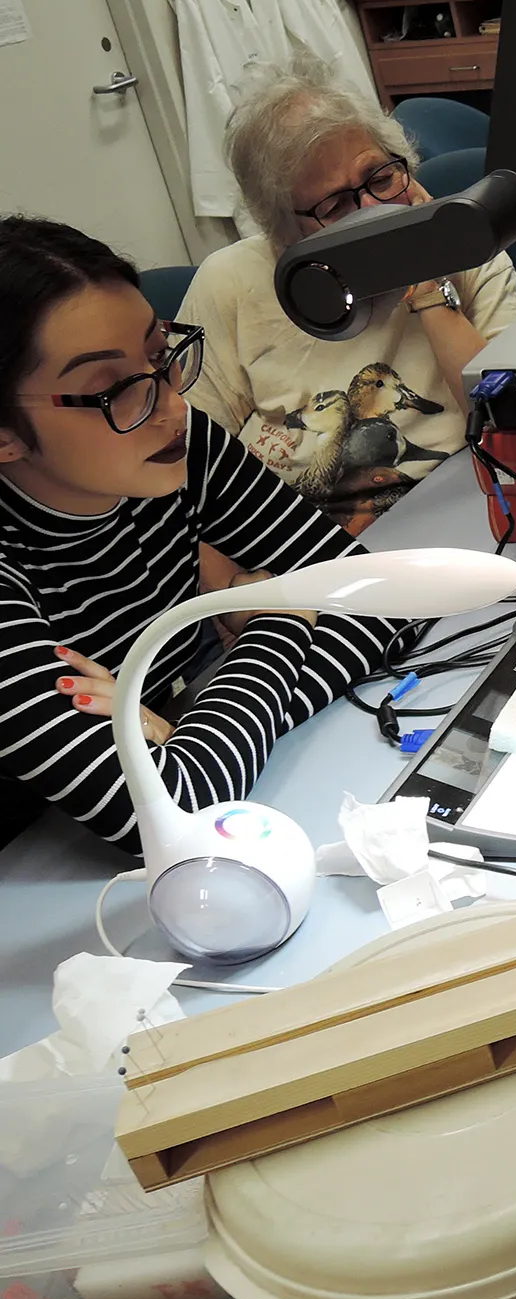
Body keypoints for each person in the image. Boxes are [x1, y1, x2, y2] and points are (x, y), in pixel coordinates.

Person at [0, 215, 400, 853]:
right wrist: (281, 623)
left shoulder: (175, 446)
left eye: (161, 356)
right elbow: (167, 813)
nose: (172, 405)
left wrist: (188, 734)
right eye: (115, 389)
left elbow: (383, 601)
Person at [179, 57, 516, 535]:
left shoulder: (466, 251)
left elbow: (511, 426)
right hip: (294, 536)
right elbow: (194, 464)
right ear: (284, 229)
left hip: (456, 504)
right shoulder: (230, 282)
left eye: (382, 178)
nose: (374, 211)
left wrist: (428, 285)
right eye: (335, 205)